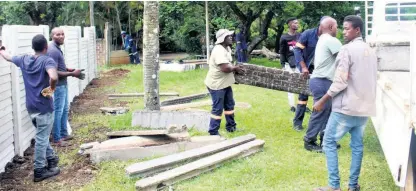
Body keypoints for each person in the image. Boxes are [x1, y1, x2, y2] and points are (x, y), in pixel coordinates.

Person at [313, 15, 377, 191]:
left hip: (346, 108)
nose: (344, 32)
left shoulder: (346, 50)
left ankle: (334, 186)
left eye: (347, 28)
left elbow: (340, 81)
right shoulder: (371, 50)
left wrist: (322, 100)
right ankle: (353, 185)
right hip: (365, 108)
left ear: (357, 30)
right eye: (343, 28)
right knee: (357, 146)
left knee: (328, 143)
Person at [0, 34, 61, 182]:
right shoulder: (47, 60)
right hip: (44, 107)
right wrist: (51, 90)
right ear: (46, 47)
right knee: (41, 138)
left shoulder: (24, 59)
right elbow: (53, 77)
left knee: (41, 134)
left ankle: (52, 159)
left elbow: (8, 56)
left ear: (33, 47)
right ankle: (39, 170)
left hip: (31, 106)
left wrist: (1, 49)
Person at [303, 17, 342, 152]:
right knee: (320, 112)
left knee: (328, 112)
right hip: (323, 81)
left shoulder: (323, 39)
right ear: (331, 27)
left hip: (321, 81)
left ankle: (326, 140)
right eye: (337, 26)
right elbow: (346, 58)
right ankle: (309, 141)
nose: (338, 29)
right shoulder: (331, 40)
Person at [204, 29, 245, 136]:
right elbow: (225, 68)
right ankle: (213, 132)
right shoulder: (218, 50)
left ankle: (231, 127)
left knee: (230, 105)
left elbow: (228, 64)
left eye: (231, 36)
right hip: (217, 85)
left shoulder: (226, 48)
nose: (231, 37)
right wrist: (236, 68)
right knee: (218, 108)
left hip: (224, 83)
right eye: (228, 36)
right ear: (222, 38)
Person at [48, 27, 83, 147]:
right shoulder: (53, 50)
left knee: (64, 110)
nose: (61, 36)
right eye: (58, 34)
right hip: (58, 86)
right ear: (52, 36)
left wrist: (69, 69)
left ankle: (63, 134)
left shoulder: (57, 49)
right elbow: (54, 71)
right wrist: (73, 74)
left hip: (63, 84)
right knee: (58, 111)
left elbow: (59, 67)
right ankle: (57, 139)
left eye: (62, 34)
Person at [292, 16, 329, 131]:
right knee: (303, 96)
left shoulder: (329, 37)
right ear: (321, 26)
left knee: (320, 98)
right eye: (328, 27)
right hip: (307, 69)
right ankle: (297, 123)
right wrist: (303, 67)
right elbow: (297, 50)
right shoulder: (308, 34)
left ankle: (320, 127)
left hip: (321, 71)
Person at [279, 17, 301, 113]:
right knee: (290, 85)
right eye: (295, 23)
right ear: (290, 24)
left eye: (297, 23)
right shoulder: (284, 37)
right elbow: (282, 52)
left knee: (301, 84)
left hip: (300, 63)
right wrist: (283, 65)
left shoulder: (300, 36)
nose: (297, 24)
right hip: (289, 64)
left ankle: (301, 105)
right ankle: (292, 105)